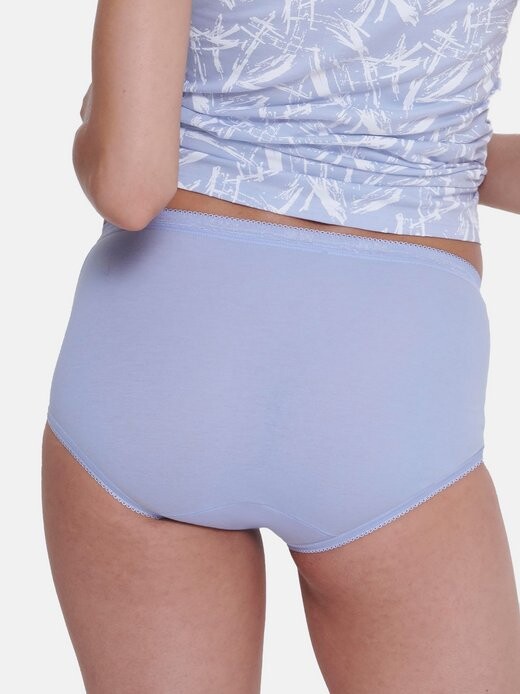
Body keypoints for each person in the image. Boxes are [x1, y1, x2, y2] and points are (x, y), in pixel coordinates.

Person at [41, 1, 520, 692]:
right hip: (387, 379)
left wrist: (93, 125)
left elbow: (129, 183)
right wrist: (426, 152)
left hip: (158, 360)